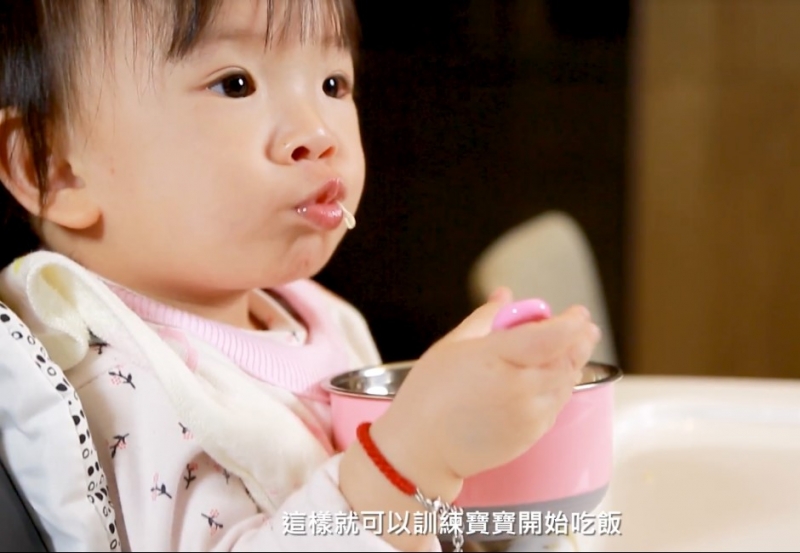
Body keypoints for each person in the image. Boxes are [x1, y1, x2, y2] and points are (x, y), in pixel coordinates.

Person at [0, 0, 602, 551]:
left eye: (333, 84)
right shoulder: (120, 381)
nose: (318, 133)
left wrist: (487, 446)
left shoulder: (314, 314)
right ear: (53, 168)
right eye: (235, 84)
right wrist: (414, 456)